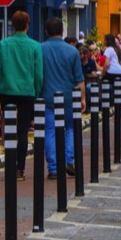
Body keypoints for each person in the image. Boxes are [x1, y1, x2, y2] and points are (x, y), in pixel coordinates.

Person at [0, 10, 45, 175]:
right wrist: (37, 92)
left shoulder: (4, 45)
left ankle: (10, 164)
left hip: (7, 92)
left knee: (9, 129)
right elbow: (38, 74)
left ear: (12, 26)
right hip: (27, 93)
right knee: (23, 130)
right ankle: (20, 168)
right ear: (27, 25)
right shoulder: (35, 46)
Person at [42, 17, 85, 180]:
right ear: (62, 31)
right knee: (71, 128)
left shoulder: (40, 49)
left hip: (47, 97)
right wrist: (83, 98)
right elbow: (79, 79)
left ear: (46, 31)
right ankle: (68, 160)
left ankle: (53, 168)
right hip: (68, 97)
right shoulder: (73, 51)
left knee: (50, 131)